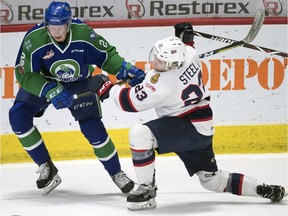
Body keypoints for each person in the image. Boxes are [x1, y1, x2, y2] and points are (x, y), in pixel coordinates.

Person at [88, 23, 286, 210]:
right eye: (155, 56)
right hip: (199, 127)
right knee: (212, 181)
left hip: (187, 126)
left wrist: (107, 88)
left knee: (140, 134)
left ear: (171, 64)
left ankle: (147, 191)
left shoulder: (162, 84)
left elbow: (128, 102)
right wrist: (185, 38)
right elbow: (185, 47)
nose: (153, 62)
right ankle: (264, 189)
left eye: (159, 60)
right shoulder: (190, 55)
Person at [9, 1, 145, 196]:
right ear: (46, 23)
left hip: (79, 83)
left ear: (69, 23)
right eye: (52, 26)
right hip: (45, 83)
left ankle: (117, 173)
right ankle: (46, 166)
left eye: (60, 27)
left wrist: (125, 68)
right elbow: (24, 74)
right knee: (18, 115)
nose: (56, 32)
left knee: (93, 128)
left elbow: (106, 56)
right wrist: (49, 90)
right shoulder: (34, 39)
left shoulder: (83, 34)